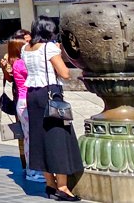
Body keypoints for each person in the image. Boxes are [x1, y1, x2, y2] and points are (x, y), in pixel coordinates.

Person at [22, 16, 83, 201]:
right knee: (58, 137)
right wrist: (59, 53)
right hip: (50, 94)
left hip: (32, 95)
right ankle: (62, 187)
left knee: (39, 139)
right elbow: (64, 73)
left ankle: (49, 184)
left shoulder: (26, 48)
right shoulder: (49, 48)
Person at [2, 30, 44, 182]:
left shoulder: (17, 62)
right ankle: (32, 171)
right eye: (25, 44)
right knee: (30, 137)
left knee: (30, 137)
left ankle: (33, 169)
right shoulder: (21, 64)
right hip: (25, 102)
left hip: (26, 101)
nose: (29, 46)